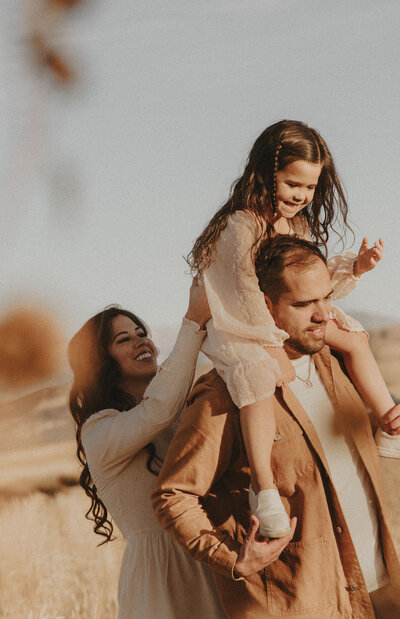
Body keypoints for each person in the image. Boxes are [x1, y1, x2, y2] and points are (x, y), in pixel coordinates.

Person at [153, 235, 400, 619]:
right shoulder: (225, 395)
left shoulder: (334, 364)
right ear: (264, 306)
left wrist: (387, 426)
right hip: (303, 604)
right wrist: (233, 558)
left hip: (382, 592)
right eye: (304, 304)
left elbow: (335, 458)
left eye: (325, 297)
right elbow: (174, 494)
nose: (323, 315)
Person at [186, 119, 396, 539]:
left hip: (282, 317)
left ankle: (389, 423)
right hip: (241, 325)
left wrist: (356, 267)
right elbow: (241, 293)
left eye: (310, 188)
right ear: (265, 174)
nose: (301, 196)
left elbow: (308, 288)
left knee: (353, 337)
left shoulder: (293, 227)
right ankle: (263, 487)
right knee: (259, 377)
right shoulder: (241, 226)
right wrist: (274, 346)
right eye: (292, 184)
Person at [67, 280, 226, 619]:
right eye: (124, 338)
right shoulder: (99, 430)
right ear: (100, 362)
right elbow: (157, 410)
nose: (142, 340)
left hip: (212, 554)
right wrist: (193, 321)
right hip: (159, 576)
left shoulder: (181, 409)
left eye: (142, 332)